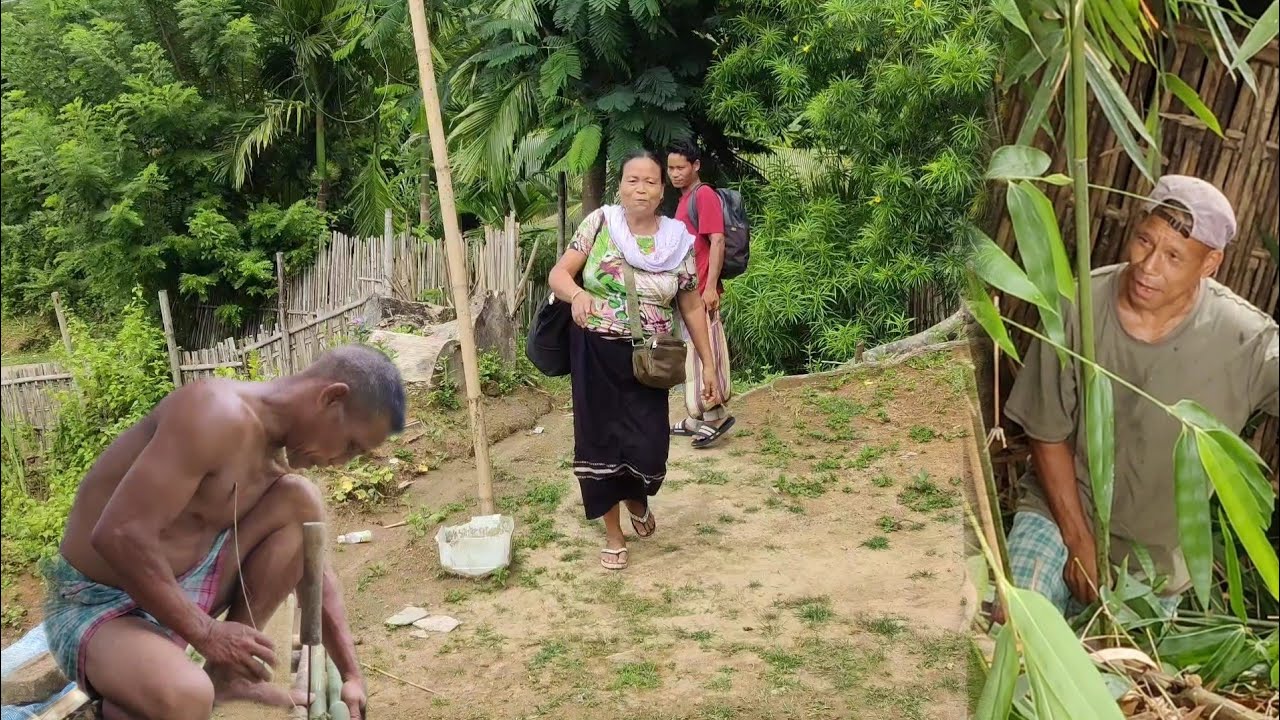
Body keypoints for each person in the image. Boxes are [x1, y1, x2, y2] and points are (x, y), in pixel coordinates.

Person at [43, 344, 405, 720]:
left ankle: (227, 676)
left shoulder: (275, 460)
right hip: (98, 605)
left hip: (175, 595)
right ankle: (147, 690)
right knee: (187, 697)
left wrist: (351, 674)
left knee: (303, 501)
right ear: (331, 398)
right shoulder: (215, 413)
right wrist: (207, 634)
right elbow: (118, 534)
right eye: (350, 445)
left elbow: (316, 572)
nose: (342, 462)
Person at [1001, 175, 1278, 619]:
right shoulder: (1079, 305)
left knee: (1124, 686)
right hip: (1059, 519)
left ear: (1210, 264)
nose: (1149, 267)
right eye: (1144, 242)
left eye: (1173, 257)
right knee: (1013, 632)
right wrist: (1079, 542)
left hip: (1155, 570)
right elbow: (1047, 432)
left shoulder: (1245, 339)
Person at [548, 149, 720, 571]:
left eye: (650, 181)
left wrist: (709, 363)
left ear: (662, 190)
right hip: (595, 351)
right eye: (632, 180)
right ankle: (613, 532)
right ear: (620, 187)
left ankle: (636, 499)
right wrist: (578, 294)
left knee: (649, 445)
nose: (640, 188)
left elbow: (691, 305)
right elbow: (559, 274)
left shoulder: (677, 238)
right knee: (600, 442)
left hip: (652, 360)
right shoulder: (600, 224)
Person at [666, 139, 736, 448]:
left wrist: (710, 287)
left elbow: (717, 241)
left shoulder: (703, 195)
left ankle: (715, 415)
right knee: (692, 354)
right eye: (671, 168)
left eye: (681, 167)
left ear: (696, 166)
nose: (675, 173)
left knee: (707, 352)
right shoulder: (684, 200)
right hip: (688, 292)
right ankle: (698, 415)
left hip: (703, 291)